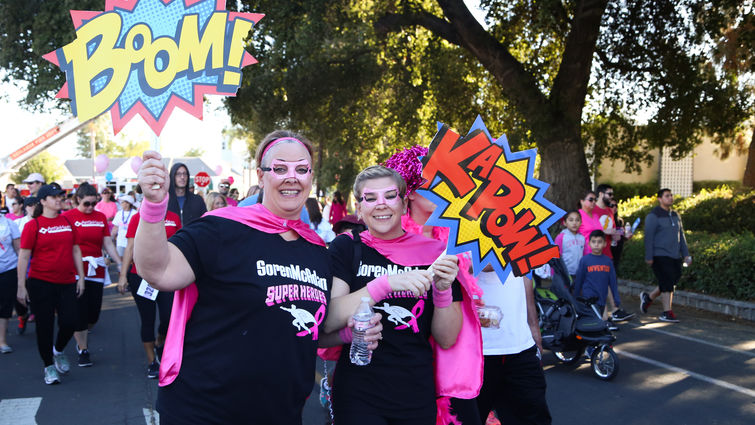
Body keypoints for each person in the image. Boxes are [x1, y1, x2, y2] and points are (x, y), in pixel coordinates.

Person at [134, 130, 379, 424]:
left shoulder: (316, 249)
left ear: (310, 178)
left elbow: (302, 330)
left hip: (281, 413)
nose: (292, 177)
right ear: (262, 177)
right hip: (205, 411)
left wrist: (346, 334)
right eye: (279, 168)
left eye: (302, 169)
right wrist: (153, 207)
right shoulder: (220, 229)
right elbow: (158, 271)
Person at [324, 165, 463, 425]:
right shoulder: (346, 247)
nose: (381, 204)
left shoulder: (435, 253)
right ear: (359, 206)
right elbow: (328, 320)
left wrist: (443, 291)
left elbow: (447, 339)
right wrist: (384, 285)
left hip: (415, 393)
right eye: (370, 198)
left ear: (403, 201)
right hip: (358, 392)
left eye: (389, 195)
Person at [16, 184, 86, 385]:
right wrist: (21, 286)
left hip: (66, 281)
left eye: (60, 196)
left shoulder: (67, 221)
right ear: (43, 201)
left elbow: (75, 250)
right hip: (41, 283)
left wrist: (81, 277)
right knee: (44, 326)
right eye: (54, 197)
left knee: (70, 321)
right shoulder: (33, 225)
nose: (59, 199)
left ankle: (58, 350)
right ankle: (48, 365)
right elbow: (23, 257)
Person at [471, 272, 551, 425]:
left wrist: (533, 326)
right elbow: (466, 265)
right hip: (473, 352)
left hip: (520, 348)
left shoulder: (519, 247)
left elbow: (525, 273)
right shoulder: (451, 247)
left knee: (534, 418)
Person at [117, 207, 182, 378]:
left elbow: (181, 245)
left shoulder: (173, 217)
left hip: (168, 275)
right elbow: (130, 248)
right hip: (142, 277)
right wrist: (123, 276)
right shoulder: (138, 218)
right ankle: (152, 361)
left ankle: (160, 340)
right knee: (148, 318)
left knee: (168, 317)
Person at [62, 183, 122, 367]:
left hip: (96, 268)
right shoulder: (67, 217)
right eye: (86, 203)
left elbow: (108, 243)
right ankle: (83, 349)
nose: (90, 207)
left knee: (93, 314)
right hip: (75, 270)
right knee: (79, 311)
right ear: (78, 199)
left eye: (93, 204)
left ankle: (82, 333)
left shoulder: (100, 217)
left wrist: (120, 263)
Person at [641, 188, 692, 323]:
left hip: (675, 255)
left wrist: (686, 254)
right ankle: (666, 312)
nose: (670, 198)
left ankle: (649, 298)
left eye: (671, 195)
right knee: (667, 282)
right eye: (667, 196)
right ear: (659, 199)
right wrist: (649, 256)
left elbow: (681, 235)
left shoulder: (675, 215)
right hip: (660, 254)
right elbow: (649, 237)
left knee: (672, 280)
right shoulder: (653, 216)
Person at [573, 230, 633, 321]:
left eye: (599, 242)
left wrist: (616, 299)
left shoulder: (608, 261)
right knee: (593, 320)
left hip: (602, 298)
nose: (596, 244)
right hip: (588, 298)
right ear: (589, 243)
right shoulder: (585, 260)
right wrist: (576, 297)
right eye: (593, 242)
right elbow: (579, 280)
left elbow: (612, 282)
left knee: (601, 320)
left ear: (605, 244)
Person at [0, 211, 21, 353]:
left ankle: (2, 341)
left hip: (8, 269)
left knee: (5, 305)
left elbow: (19, 250)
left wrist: (22, 274)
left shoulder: (9, 224)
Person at [555, 210, 585, 282]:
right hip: (565, 273)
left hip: (579, 273)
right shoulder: (561, 237)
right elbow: (556, 256)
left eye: (577, 220)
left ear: (581, 222)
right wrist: (554, 273)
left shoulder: (582, 238)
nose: (574, 223)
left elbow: (585, 254)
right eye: (571, 220)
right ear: (565, 223)